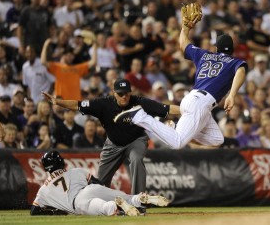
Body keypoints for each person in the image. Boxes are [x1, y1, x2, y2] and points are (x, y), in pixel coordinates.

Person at [114, 22, 247, 150]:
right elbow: (241, 71)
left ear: (216, 48)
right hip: (200, 105)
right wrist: (232, 95)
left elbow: (184, 44)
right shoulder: (234, 61)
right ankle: (140, 116)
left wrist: (185, 28)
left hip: (194, 101)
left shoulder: (205, 55)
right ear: (232, 50)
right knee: (177, 143)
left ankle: (178, 129)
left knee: (217, 140)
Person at [42, 78, 180, 195]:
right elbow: (78, 105)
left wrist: (188, 110)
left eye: (126, 93)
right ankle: (100, 203)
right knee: (100, 182)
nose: (124, 96)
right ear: (114, 93)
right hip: (113, 144)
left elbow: (166, 109)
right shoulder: (103, 104)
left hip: (136, 140)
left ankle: (139, 201)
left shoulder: (139, 102)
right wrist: (57, 102)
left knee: (137, 159)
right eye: (120, 94)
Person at [31, 151, 169, 216]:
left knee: (106, 208)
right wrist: (104, 192)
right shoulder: (75, 171)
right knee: (127, 197)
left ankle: (116, 206)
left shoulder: (44, 190)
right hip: (91, 188)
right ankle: (137, 199)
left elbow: (34, 211)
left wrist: (53, 212)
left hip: (78, 203)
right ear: (60, 162)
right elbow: (98, 183)